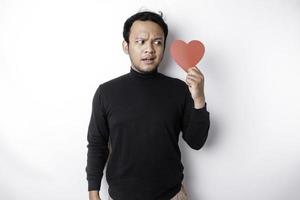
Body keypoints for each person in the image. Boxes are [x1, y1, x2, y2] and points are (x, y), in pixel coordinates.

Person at [86, 10, 210, 200]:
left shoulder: (178, 89)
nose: (149, 49)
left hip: (172, 195)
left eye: (157, 42)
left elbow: (196, 141)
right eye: (140, 41)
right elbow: (97, 144)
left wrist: (199, 99)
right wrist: (93, 192)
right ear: (126, 46)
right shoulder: (106, 92)